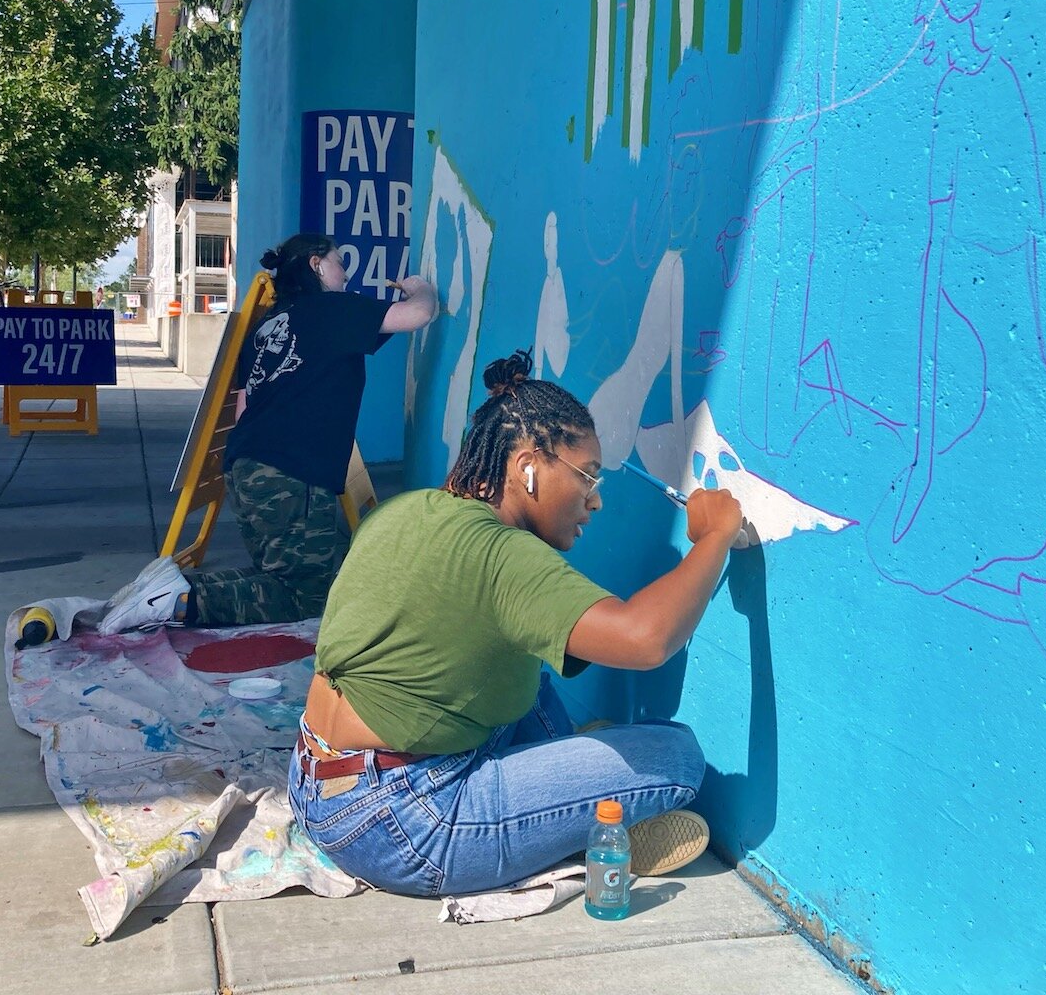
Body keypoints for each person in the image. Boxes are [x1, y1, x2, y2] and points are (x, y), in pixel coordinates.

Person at [286, 349, 746, 897]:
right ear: (528, 466)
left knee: (527, 676)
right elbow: (647, 640)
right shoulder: (501, 554)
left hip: (319, 783)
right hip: (406, 825)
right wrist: (714, 536)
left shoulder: (407, 510)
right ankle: (589, 814)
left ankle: (571, 795)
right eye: (587, 478)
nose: (594, 502)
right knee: (676, 758)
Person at [98, 234, 438, 637]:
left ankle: (160, 590)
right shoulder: (330, 310)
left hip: (246, 466)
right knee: (305, 597)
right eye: (340, 262)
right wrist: (421, 287)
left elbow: (244, 405)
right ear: (316, 265)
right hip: (292, 472)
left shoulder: (266, 325)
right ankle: (176, 598)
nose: (346, 273)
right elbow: (417, 315)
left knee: (279, 580)